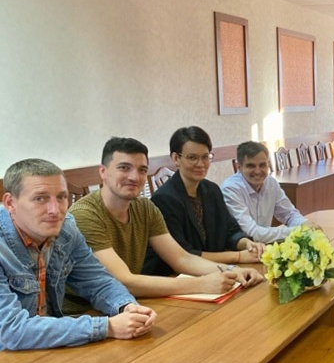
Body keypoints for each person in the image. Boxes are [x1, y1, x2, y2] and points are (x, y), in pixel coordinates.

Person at [68, 137, 264, 303]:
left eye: (142, 170)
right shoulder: (85, 215)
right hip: (84, 313)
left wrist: (231, 270)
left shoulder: (145, 208)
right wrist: (200, 284)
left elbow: (181, 258)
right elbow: (123, 281)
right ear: (103, 171)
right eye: (124, 168)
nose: (134, 177)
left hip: (125, 304)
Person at [0, 159, 156, 350]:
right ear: (10, 203)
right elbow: (10, 331)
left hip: (49, 350)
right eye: (40, 198)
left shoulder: (66, 229)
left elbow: (98, 281)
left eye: (61, 197)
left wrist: (128, 307)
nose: (55, 210)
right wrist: (107, 327)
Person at [142, 127, 265, 276]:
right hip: (176, 277)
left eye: (205, 157)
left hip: (214, 271)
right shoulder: (164, 199)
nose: (200, 164)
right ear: (176, 158)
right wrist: (238, 256)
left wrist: (247, 244)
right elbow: (184, 254)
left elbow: (230, 230)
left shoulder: (212, 190)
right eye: (192, 157)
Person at [221, 141, 319, 243]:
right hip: (241, 249)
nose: (258, 171)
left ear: (268, 165)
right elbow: (252, 233)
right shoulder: (230, 189)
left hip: (265, 246)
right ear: (239, 167)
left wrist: (305, 224)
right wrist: (299, 231)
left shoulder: (271, 183)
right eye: (251, 166)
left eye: (262, 165)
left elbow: (289, 214)